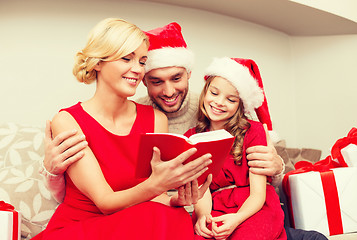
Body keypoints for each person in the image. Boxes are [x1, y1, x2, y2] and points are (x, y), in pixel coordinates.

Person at [40, 21, 285, 204]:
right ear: (145, 81)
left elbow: (264, 172)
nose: (169, 91)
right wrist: (52, 171)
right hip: (171, 210)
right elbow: (80, 195)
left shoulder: (219, 104)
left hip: (228, 208)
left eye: (176, 78)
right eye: (156, 81)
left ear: (189, 73)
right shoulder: (136, 113)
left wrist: (277, 167)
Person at [34, 18, 213, 240]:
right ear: (98, 62)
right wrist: (157, 184)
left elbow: (151, 198)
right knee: (159, 217)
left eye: (142, 61)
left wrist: (175, 200)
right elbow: (106, 202)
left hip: (135, 223)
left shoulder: (157, 119)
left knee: (173, 215)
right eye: (127, 58)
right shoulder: (68, 120)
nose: (137, 70)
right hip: (82, 228)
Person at [188, 57, 286, 239]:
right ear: (205, 91)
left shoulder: (253, 131)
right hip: (213, 206)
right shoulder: (192, 137)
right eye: (214, 93)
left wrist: (237, 218)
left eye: (231, 99)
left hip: (253, 207)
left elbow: (258, 193)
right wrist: (203, 216)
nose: (219, 102)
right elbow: (202, 188)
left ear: (240, 105)